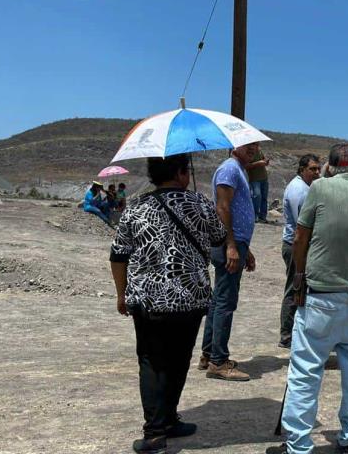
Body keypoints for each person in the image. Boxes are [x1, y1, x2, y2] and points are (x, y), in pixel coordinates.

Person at [109, 153, 226, 454]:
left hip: (148, 299)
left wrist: (121, 294)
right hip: (191, 297)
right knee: (179, 359)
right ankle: (167, 421)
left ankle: (156, 432)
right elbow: (219, 238)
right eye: (186, 170)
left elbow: (118, 256)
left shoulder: (135, 208)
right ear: (179, 172)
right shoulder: (200, 203)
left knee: (151, 361)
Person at [277, 143, 348, 454]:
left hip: (321, 295)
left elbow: (300, 235)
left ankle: (298, 443)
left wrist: (298, 280)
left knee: (306, 371)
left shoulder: (319, 188)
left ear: (331, 166)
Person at [199, 144, 259, 381]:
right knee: (225, 301)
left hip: (236, 242)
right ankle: (219, 361)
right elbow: (223, 207)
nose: (254, 149)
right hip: (228, 245)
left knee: (218, 300)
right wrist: (232, 245)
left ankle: (209, 354)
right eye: (249, 145)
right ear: (236, 146)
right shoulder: (229, 170)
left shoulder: (236, 169)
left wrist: (246, 248)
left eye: (256, 145)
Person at [278, 153, 321, 349]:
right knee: (294, 286)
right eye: (312, 169)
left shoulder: (305, 188)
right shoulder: (300, 191)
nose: (316, 172)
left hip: (298, 243)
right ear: (302, 169)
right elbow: (301, 225)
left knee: (299, 285)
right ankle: (287, 334)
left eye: (318, 169)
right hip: (296, 245)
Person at [247, 144, 270, 223]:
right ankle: (255, 215)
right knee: (257, 196)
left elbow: (263, 159)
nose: (257, 145)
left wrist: (265, 162)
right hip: (254, 178)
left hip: (264, 177)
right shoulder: (248, 152)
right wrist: (258, 163)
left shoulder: (260, 151)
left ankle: (263, 216)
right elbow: (247, 166)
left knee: (264, 198)